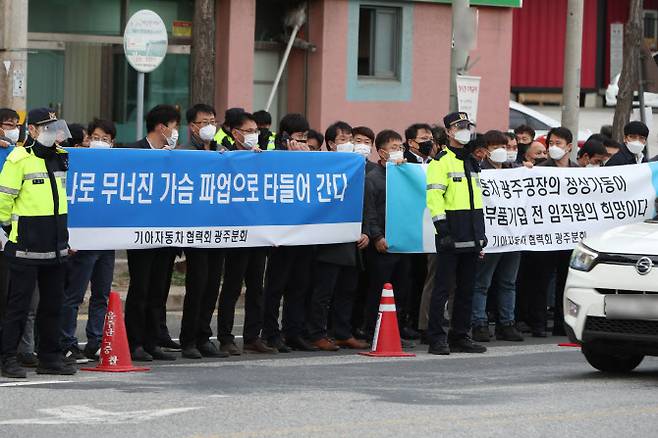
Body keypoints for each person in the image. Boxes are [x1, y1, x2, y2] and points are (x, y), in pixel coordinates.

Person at [0, 108, 74, 378]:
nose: (52, 132)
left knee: (53, 305)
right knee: (18, 307)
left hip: (55, 245)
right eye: (46, 127)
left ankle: (50, 357)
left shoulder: (60, 157)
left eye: (55, 127)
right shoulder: (19, 158)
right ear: (31, 130)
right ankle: (8, 357)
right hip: (25, 246)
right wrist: (11, 230)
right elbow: (3, 201)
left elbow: (61, 200)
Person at [117, 104, 180, 361]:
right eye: (174, 127)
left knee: (159, 290)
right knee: (140, 289)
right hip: (140, 233)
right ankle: (134, 343)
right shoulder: (134, 151)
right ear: (161, 127)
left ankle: (153, 341)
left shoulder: (175, 156)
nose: (177, 133)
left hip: (166, 232)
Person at [426, 111, 487, 355]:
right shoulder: (441, 161)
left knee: (466, 288)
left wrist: (480, 235)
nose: (464, 130)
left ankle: (460, 335)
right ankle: (436, 338)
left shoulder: (472, 161)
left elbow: (477, 201)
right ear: (449, 132)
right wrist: (443, 231)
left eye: (467, 126)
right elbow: (434, 197)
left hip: (471, 234)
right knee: (442, 289)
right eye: (459, 126)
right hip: (451, 233)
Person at [306, 121, 370, 351]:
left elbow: (366, 205)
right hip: (329, 241)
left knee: (347, 290)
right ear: (331, 143)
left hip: (353, 240)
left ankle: (343, 332)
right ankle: (317, 333)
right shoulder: (323, 167)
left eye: (351, 139)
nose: (349, 143)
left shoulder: (358, 167)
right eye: (343, 139)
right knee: (324, 292)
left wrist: (367, 232)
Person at [216, 112, 276, 355]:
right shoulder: (224, 155)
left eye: (256, 131)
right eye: (249, 131)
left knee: (256, 287)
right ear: (235, 132)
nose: (254, 135)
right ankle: (225, 337)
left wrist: (259, 161)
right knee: (231, 286)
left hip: (258, 231)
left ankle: (253, 336)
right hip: (235, 231)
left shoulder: (260, 157)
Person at [60, 119, 118, 363]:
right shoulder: (77, 162)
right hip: (83, 243)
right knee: (74, 296)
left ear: (112, 143)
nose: (100, 142)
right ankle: (67, 343)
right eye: (96, 137)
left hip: (108, 242)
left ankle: (95, 342)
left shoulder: (119, 165)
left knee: (101, 296)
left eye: (105, 139)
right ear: (87, 139)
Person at [262, 113, 318, 352]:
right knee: (276, 286)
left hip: (303, 232)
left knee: (300, 284)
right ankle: (270, 333)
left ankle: (293, 331)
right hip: (279, 235)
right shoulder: (273, 157)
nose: (303, 141)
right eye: (299, 136)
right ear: (285, 136)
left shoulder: (308, 157)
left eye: (306, 136)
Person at [518, 127, 578, 337]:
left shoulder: (580, 172)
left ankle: (563, 323)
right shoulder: (539, 170)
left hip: (570, 237)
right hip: (545, 236)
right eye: (550, 143)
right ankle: (538, 324)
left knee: (566, 281)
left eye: (558, 143)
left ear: (569, 147)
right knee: (540, 281)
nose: (553, 147)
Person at [470, 130, 524, 343]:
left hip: (512, 236)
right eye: (496, 147)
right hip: (490, 237)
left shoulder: (516, 171)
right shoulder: (479, 171)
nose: (502, 151)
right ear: (486, 151)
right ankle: (479, 324)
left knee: (508, 282)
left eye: (506, 147)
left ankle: (507, 324)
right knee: (482, 282)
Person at [362, 129, 412, 343]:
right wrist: (376, 237)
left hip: (404, 242)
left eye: (400, 147)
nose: (398, 151)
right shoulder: (372, 178)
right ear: (382, 153)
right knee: (378, 290)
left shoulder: (406, 174)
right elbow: (370, 212)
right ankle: (373, 329)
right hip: (382, 244)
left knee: (402, 289)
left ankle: (396, 330)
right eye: (394, 148)